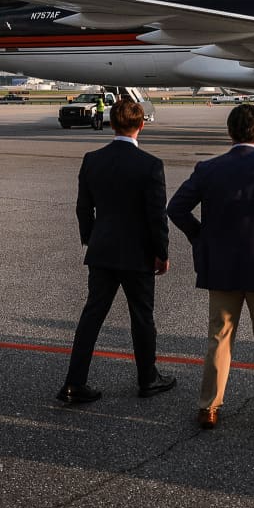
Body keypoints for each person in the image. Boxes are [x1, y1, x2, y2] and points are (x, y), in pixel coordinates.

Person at [167, 103, 254, 431]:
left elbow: (176, 209)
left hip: (223, 267)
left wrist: (201, 238)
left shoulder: (208, 169)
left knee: (220, 336)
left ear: (229, 133)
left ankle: (209, 407)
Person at [58, 98, 176, 404]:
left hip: (103, 251)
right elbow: (156, 216)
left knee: (92, 316)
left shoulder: (92, 159)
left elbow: (83, 208)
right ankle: (147, 378)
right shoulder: (150, 164)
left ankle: (74, 382)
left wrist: (90, 240)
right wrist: (161, 253)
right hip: (138, 254)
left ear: (111, 124)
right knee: (142, 317)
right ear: (141, 125)